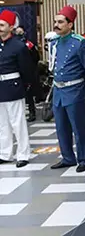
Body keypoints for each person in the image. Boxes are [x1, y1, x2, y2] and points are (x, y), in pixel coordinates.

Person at [49, 6, 85, 172]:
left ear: (70, 24)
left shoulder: (80, 43)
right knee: (61, 127)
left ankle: (84, 159)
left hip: (75, 90)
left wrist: (83, 87)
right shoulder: (54, 42)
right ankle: (68, 157)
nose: (56, 24)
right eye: (55, 21)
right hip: (58, 91)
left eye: (60, 22)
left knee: (79, 127)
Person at [0, 10, 34, 168]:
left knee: (18, 123)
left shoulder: (19, 46)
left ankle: (23, 154)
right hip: (1, 89)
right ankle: (5, 153)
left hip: (13, 87)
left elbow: (27, 69)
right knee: (2, 124)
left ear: (11, 27)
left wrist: (26, 86)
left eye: (2, 25)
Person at [14, 27, 40, 122]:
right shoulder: (13, 45)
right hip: (17, 72)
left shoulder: (29, 45)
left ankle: (32, 112)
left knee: (29, 94)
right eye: (17, 32)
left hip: (28, 71)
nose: (19, 34)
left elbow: (36, 57)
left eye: (20, 32)